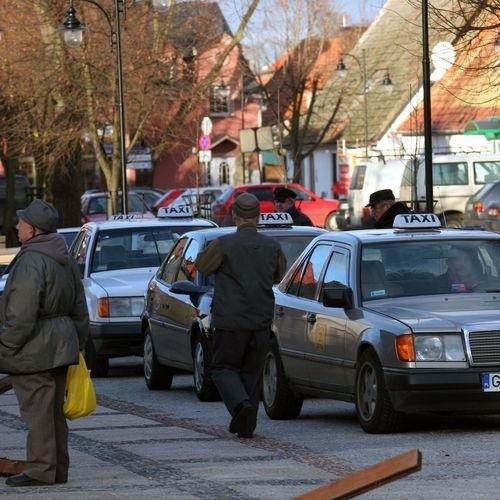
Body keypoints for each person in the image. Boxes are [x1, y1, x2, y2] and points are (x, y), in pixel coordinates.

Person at [0, 199, 89, 487]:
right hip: (61, 343)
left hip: (34, 345)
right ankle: (55, 469)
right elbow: (79, 307)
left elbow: (21, 313)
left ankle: (40, 469)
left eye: (22, 222)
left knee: (38, 412)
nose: (17, 226)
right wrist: (76, 342)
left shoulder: (31, 259)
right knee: (52, 413)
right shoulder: (62, 255)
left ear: (34, 230)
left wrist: (6, 345)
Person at [195, 192, 286, 438]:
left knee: (223, 367)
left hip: (230, 319)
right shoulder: (273, 246)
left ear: (234, 215)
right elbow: (279, 274)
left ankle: (240, 406)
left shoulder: (223, 244)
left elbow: (202, 267)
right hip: (261, 319)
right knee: (252, 372)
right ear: (258, 216)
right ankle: (247, 425)